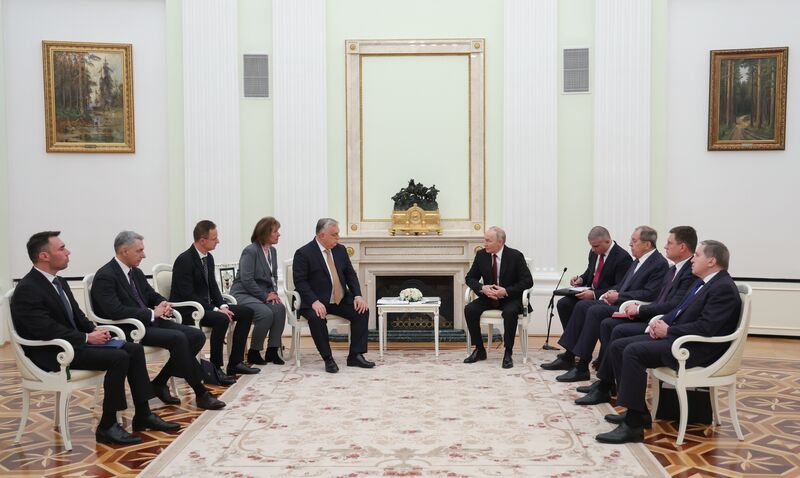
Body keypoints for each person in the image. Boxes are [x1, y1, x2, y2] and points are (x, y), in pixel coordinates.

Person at [10, 231, 180, 445]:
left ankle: (143, 414)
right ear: (44, 256)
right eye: (62, 248)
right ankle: (107, 425)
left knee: (133, 349)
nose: (68, 252)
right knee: (119, 358)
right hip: (53, 352)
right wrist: (86, 338)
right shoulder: (27, 288)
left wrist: (94, 330)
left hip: (73, 344)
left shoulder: (59, 281)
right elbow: (45, 329)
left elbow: (78, 316)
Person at [595, 240, 742, 444]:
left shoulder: (722, 288)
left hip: (697, 348)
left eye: (697, 255)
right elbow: (680, 311)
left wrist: (669, 330)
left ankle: (633, 425)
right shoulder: (704, 282)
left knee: (632, 351)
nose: (693, 259)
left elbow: (707, 328)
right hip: (682, 340)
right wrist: (660, 323)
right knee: (619, 345)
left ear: (711, 260)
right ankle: (639, 412)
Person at [90, 231, 226, 409]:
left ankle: (159, 382)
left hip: (149, 322)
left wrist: (162, 302)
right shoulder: (106, 276)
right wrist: (151, 313)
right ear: (124, 251)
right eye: (139, 251)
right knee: (179, 339)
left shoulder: (135, 272)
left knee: (196, 336)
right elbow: (114, 311)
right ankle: (200, 393)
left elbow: (150, 294)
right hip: (129, 328)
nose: (143, 255)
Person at [575, 226, 700, 406]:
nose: (665, 246)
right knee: (609, 325)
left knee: (614, 328)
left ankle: (609, 388)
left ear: (682, 247)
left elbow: (672, 304)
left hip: (663, 323)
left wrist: (640, 310)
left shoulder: (687, 271)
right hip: (654, 316)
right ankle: (606, 383)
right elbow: (661, 299)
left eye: (669, 243)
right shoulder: (674, 269)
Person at [551, 226, 668, 382]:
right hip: (617, 300)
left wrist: (617, 296)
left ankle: (581, 366)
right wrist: (610, 292)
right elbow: (622, 284)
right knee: (569, 304)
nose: (630, 244)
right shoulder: (638, 261)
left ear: (647, 244)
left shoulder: (658, 263)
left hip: (630, 306)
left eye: (634, 241)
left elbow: (649, 293)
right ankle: (572, 356)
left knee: (589, 308)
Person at [171, 220, 259, 377]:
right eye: (214, 238)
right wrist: (216, 309)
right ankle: (216, 368)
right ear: (202, 240)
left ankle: (235, 363)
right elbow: (188, 294)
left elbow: (213, 287)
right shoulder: (184, 260)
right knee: (221, 319)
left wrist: (223, 306)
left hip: (206, 306)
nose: (218, 241)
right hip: (188, 310)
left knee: (246, 312)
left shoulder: (208, 258)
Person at [292, 218, 374, 373]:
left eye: (338, 234)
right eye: (334, 235)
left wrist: (358, 296)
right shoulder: (304, 253)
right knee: (317, 318)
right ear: (322, 235)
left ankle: (355, 355)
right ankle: (328, 359)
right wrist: (314, 301)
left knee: (362, 311)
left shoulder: (340, 250)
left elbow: (350, 274)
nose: (338, 238)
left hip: (339, 300)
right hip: (313, 301)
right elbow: (300, 282)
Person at [544, 226, 631, 371]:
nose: (593, 249)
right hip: (590, 293)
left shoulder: (622, 257)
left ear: (607, 241)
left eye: (596, 246)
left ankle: (572, 354)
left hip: (605, 298)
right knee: (564, 303)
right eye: (591, 246)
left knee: (582, 306)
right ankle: (572, 351)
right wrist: (580, 280)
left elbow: (620, 286)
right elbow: (590, 273)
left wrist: (595, 294)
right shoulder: (594, 253)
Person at [463, 226, 533, 369]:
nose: (485, 243)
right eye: (484, 240)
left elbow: (527, 281)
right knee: (470, 309)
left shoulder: (515, 256)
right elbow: (470, 278)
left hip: (510, 298)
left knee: (510, 312)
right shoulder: (481, 255)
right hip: (488, 297)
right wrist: (482, 288)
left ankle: (508, 353)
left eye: (488, 241)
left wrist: (506, 291)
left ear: (500, 242)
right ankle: (480, 350)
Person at [230, 217, 287, 365]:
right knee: (265, 313)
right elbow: (246, 280)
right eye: (275, 231)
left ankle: (272, 351)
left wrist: (273, 294)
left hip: (261, 294)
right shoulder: (250, 251)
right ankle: (254, 352)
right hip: (243, 294)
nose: (278, 234)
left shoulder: (272, 251)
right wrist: (265, 296)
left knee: (280, 309)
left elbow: (272, 276)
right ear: (265, 233)